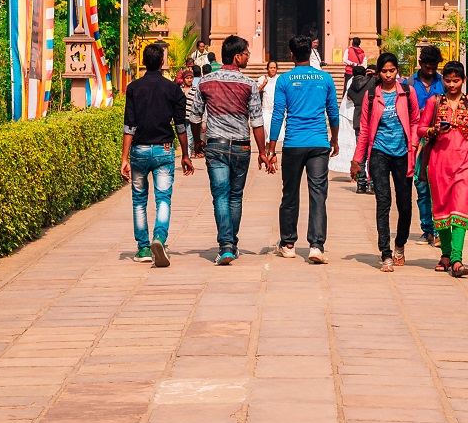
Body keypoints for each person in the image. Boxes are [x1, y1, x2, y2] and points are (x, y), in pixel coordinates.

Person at [187, 35, 268, 265]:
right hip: (241, 147)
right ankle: (231, 242)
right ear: (237, 56)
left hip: (216, 145)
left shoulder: (205, 81)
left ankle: (226, 246)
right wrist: (262, 152)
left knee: (220, 195)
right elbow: (257, 121)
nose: (248, 58)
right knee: (235, 196)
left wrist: (197, 142)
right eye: (246, 54)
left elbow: (194, 117)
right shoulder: (249, 84)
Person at [265, 34, 338, 262]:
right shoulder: (325, 79)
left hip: (294, 144)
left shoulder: (284, 80)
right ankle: (316, 245)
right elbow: (333, 112)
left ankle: (288, 243)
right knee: (318, 194)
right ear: (311, 53)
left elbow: (278, 114)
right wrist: (334, 139)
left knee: (290, 193)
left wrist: (271, 146)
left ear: (291, 55)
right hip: (318, 143)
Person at [120, 41, 194, 267]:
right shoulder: (173, 89)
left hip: (139, 150)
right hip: (163, 150)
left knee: (139, 201)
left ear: (143, 62)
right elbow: (180, 125)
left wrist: (124, 158)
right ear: (162, 62)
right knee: (163, 198)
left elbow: (129, 125)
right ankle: (159, 237)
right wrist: (185, 154)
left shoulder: (133, 88)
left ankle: (143, 248)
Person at [415, 60, 468, 277]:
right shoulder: (434, 102)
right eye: (448, 80)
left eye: (456, 80)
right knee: (442, 207)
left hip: (465, 163)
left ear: (463, 80)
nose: (452, 84)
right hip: (439, 162)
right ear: (442, 80)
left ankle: (456, 257)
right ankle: (445, 253)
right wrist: (433, 130)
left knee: (461, 208)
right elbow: (420, 129)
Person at [352, 52, 418, 271]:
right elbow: (364, 131)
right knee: (383, 202)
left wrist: (414, 146)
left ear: (397, 70)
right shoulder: (372, 95)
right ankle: (386, 253)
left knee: (405, 204)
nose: (389, 75)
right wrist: (357, 160)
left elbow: (416, 120)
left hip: (403, 153)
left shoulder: (407, 93)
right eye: (384, 71)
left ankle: (400, 244)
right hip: (379, 152)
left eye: (392, 70)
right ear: (378, 72)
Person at [405, 45, 445, 245]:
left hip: (440, 140)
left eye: (434, 65)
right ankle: (427, 228)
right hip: (418, 141)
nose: (430, 68)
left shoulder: (443, 82)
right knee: (421, 186)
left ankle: (439, 229)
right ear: (420, 63)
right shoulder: (409, 84)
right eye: (427, 64)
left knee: (438, 185)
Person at [345, 59, 377, 194]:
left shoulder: (351, 87)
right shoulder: (371, 82)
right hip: (372, 117)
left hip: (358, 119)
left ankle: (360, 183)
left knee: (361, 152)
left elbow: (349, 98)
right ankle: (371, 183)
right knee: (373, 153)